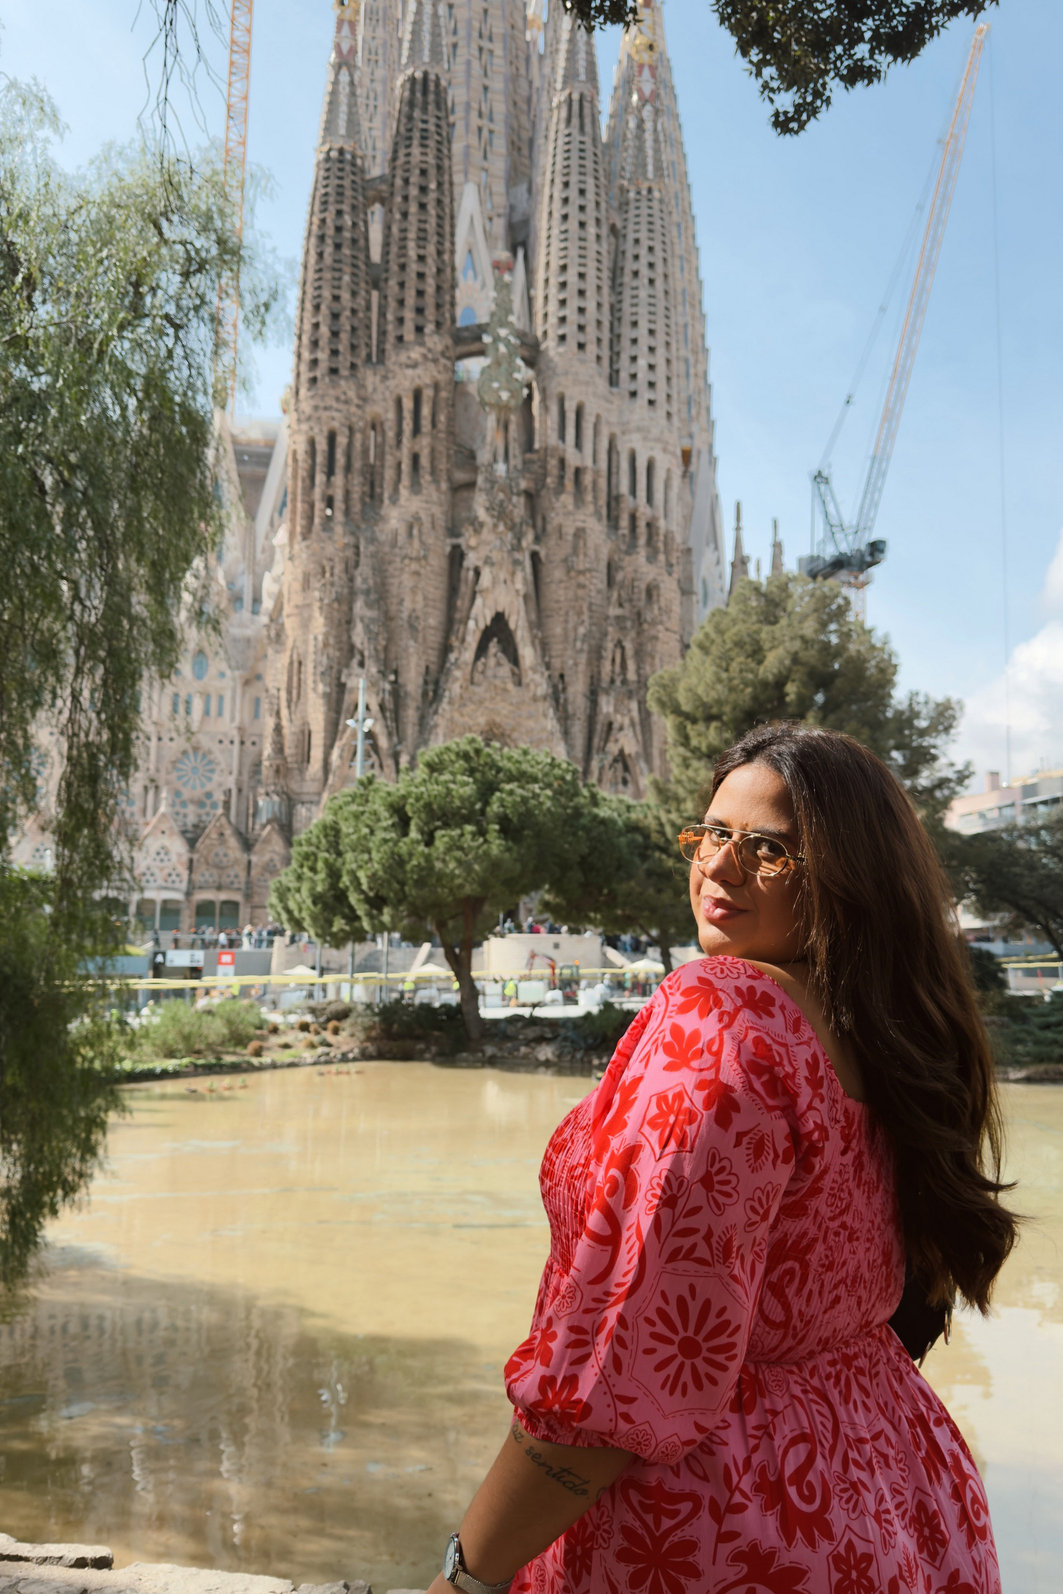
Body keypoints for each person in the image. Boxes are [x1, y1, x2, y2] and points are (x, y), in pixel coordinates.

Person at [426, 724, 1017, 1594]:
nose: (720, 867)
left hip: (726, 1532)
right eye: (709, 835)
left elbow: (620, 1376)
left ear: (845, 878)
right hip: (894, 1505)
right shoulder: (879, 1031)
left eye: (769, 850)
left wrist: (464, 1580)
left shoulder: (720, 1020)